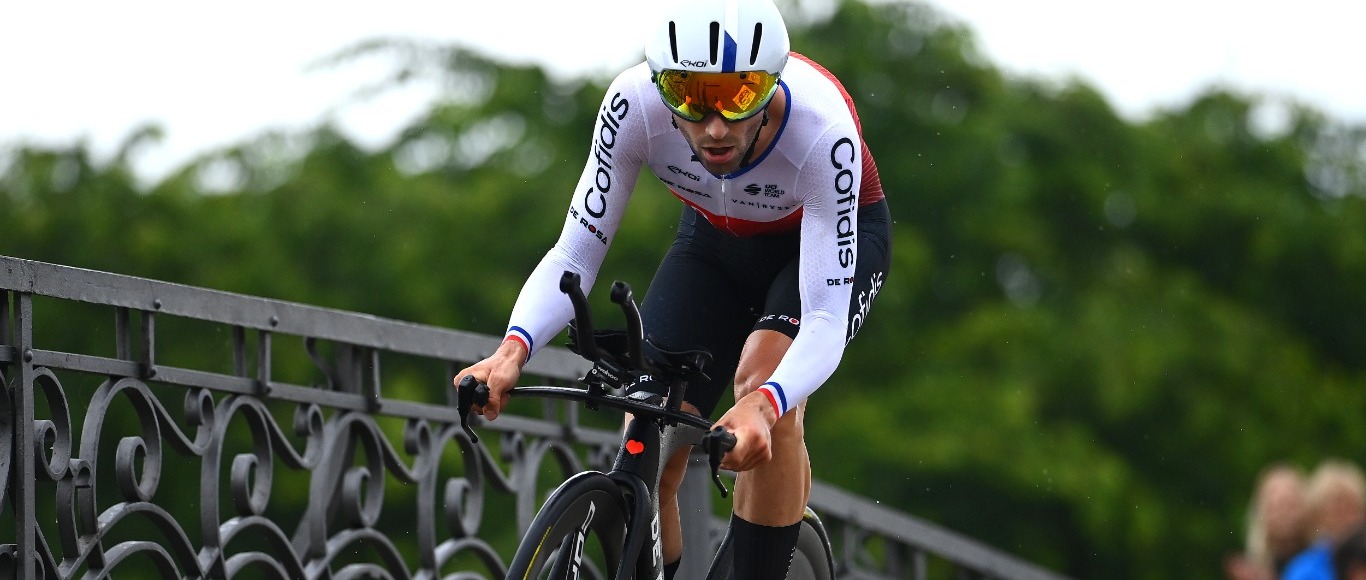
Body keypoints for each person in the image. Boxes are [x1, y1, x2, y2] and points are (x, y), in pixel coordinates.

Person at [454, 0, 890, 577]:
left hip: (822, 243)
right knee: (648, 423)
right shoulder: (631, 105)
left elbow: (827, 320)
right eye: (688, 98)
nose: (713, 128)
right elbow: (575, 252)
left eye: (738, 98)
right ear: (661, 87)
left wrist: (765, 405)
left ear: (771, 86)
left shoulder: (822, 128)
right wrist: (511, 352)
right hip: (714, 240)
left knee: (761, 384)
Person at [1282, 459, 1366, 580]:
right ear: (1318, 516)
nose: (1345, 516)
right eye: (1335, 509)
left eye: (1350, 506)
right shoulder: (1305, 570)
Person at [1224, 463, 1308, 580]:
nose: (1284, 514)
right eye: (1276, 507)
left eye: (1291, 506)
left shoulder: (1326, 559)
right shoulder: (1256, 567)